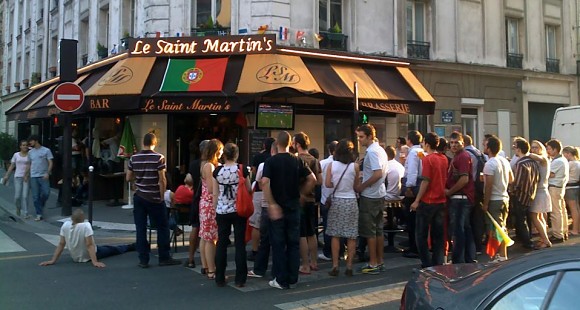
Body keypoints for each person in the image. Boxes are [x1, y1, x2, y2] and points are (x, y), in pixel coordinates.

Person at [262, 131, 315, 289]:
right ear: (290, 143)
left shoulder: (271, 162)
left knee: (278, 243)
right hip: (294, 205)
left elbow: (264, 182)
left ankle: (280, 279)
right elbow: (312, 179)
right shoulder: (298, 160)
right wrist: (302, 194)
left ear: (277, 143)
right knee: (293, 242)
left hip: (278, 205)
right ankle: (293, 276)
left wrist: (272, 203)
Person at [127, 132, 181, 268]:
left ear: (143, 143)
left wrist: (137, 182)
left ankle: (143, 259)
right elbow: (162, 179)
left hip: (139, 196)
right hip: (155, 197)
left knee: (141, 228)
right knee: (162, 227)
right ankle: (164, 257)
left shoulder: (134, 158)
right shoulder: (159, 158)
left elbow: (128, 177)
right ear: (154, 143)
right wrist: (162, 196)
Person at [212, 143, 251, 287]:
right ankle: (240, 278)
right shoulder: (242, 169)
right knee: (240, 243)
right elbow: (248, 188)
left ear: (224, 155)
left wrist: (216, 208)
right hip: (239, 209)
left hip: (222, 210)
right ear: (236, 155)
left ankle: (220, 277)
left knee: (222, 242)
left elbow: (215, 193)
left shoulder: (217, 171)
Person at [39, 209, 135, 268]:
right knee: (114, 249)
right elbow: (89, 245)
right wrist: (95, 261)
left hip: (75, 257)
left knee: (106, 248)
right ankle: (131, 247)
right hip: (90, 254)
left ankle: (131, 246)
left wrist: (53, 260)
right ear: (82, 219)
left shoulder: (65, 225)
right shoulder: (86, 226)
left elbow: (61, 244)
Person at [354, 124, 389, 275]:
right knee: (378, 229)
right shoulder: (380, 149)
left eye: (361, 137)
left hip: (370, 195)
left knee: (370, 231)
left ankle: (373, 262)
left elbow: (377, 173)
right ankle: (379, 261)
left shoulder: (372, 152)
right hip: (379, 193)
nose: (359, 139)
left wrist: (362, 186)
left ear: (369, 136)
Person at [411, 132, 448, 268]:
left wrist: (417, 200)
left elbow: (425, 181)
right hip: (441, 200)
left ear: (426, 143)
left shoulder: (428, 160)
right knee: (438, 235)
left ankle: (426, 263)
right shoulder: (443, 158)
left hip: (428, 201)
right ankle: (437, 262)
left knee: (420, 234)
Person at [325, 139, 360, 277]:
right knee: (351, 235)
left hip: (337, 201)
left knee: (335, 235)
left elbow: (328, 184)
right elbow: (356, 187)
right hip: (351, 201)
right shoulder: (355, 167)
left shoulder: (331, 165)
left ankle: (335, 265)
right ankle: (349, 265)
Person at [293, 132, 322, 275]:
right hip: (312, 200)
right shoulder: (315, 160)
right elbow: (320, 181)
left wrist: (301, 193)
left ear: (297, 144)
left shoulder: (297, 160)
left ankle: (304, 264)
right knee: (312, 232)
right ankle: (314, 262)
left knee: (302, 234)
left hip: (299, 199)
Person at [445, 132, 476, 264]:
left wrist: (449, 192)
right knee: (465, 229)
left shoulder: (462, 157)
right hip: (462, 197)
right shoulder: (458, 157)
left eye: (456, 142)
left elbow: (464, 179)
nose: (453, 145)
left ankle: (459, 260)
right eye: (451, 142)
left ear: (463, 143)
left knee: (458, 230)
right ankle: (469, 257)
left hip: (460, 198)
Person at [248, 141, 278, 279]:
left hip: (267, 202)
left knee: (263, 235)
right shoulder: (293, 161)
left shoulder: (264, 164)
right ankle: (280, 270)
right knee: (282, 239)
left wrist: (269, 200)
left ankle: (259, 266)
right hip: (285, 204)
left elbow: (261, 182)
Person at [482, 135, 513, 262]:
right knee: (502, 226)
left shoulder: (489, 164)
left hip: (494, 199)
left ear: (489, 149)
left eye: (485, 145)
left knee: (495, 229)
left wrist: (485, 203)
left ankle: (500, 255)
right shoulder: (504, 161)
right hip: (505, 197)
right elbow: (511, 179)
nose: (483, 146)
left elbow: (488, 186)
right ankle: (502, 254)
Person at [199, 139, 223, 279]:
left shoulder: (205, 164)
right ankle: (212, 270)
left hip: (204, 203)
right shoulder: (210, 166)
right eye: (219, 150)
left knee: (204, 236)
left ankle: (205, 265)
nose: (221, 153)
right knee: (211, 238)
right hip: (210, 203)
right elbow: (211, 188)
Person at [510, 137, 540, 250]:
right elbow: (537, 178)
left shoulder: (521, 163)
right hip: (531, 194)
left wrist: (512, 190)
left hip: (520, 195)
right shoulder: (533, 162)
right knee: (527, 218)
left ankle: (527, 241)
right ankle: (528, 238)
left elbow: (517, 182)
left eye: (515, 147)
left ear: (519, 149)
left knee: (521, 219)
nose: (514, 149)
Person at [184, 139, 209, 270]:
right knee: (208, 233)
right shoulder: (211, 165)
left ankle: (190, 258)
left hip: (196, 198)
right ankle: (208, 263)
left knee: (196, 227)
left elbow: (189, 181)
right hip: (207, 200)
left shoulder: (193, 164)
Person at [402, 130, 424, 258]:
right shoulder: (421, 152)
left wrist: (409, 187)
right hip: (420, 185)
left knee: (411, 220)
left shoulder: (413, 153)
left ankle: (413, 247)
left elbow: (412, 171)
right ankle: (417, 246)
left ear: (409, 140)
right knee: (417, 220)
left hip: (414, 186)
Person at [528, 140, 552, 248]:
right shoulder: (540, 160)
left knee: (534, 216)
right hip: (540, 191)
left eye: (536, 147)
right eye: (532, 147)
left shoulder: (543, 159)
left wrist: (526, 153)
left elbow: (538, 157)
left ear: (541, 148)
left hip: (540, 191)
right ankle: (544, 238)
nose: (534, 150)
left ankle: (546, 240)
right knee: (540, 216)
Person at [464, 134, 486, 254]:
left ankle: (472, 247)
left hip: (471, 189)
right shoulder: (479, 153)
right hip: (479, 188)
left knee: (469, 219)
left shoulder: (468, 154)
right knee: (477, 218)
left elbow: (468, 174)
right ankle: (478, 245)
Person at [318, 141, 338, 261]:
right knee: (339, 227)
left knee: (327, 226)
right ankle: (340, 251)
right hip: (339, 198)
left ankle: (328, 252)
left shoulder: (323, 163)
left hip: (325, 198)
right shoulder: (345, 164)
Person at [546, 139, 569, 243]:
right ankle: (563, 231)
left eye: (549, 149)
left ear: (555, 149)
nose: (547, 151)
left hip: (555, 187)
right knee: (561, 211)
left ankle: (557, 234)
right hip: (560, 187)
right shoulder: (562, 160)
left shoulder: (557, 161)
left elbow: (550, 174)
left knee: (556, 212)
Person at [26, 135, 53, 221]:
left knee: (46, 192)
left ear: (36, 141)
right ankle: (39, 213)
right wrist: (26, 175)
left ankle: (40, 205)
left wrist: (47, 173)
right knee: (35, 196)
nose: (30, 143)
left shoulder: (46, 150)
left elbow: (50, 162)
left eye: (31, 141)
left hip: (43, 175)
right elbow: (29, 164)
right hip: (33, 176)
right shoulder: (30, 152)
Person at [3, 140, 31, 218]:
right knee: (17, 196)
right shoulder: (16, 155)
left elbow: (30, 165)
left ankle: (26, 212)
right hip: (17, 177)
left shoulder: (29, 155)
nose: (25, 146)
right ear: (20, 146)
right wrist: (6, 176)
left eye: (26, 145)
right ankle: (18, 208)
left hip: (26, 177)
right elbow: (12, 166)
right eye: (23, 145)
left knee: (25, 196)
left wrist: (26, 174)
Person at [563, 146, 580, 235]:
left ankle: (575, 229)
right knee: (577, 208)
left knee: (573, 209)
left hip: (570, 188)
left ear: (568, 153)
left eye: (564, 154)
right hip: (576, 187)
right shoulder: (578, 163)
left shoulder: (570, 164)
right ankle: (578, 228)